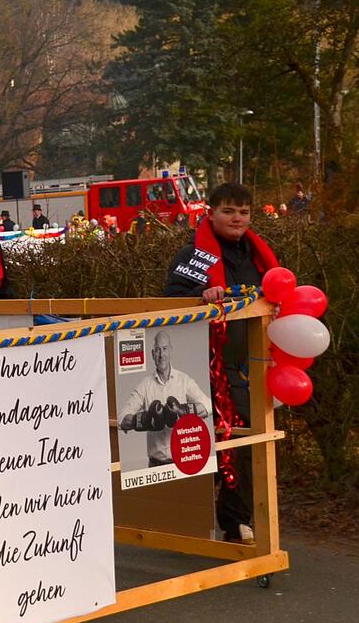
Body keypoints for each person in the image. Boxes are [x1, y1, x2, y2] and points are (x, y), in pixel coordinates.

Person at [163, 182, 279, 543]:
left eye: (243, 212)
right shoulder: (193, 256)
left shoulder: (259, 255)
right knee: (213, 442)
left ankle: (235, 520)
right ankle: (194, 515)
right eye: (228, 211)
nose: (237, 218)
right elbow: (172, 300)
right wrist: (202, 295)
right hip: (204, 366)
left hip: (250, 363)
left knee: (247, 440)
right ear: (210, 213)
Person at [117, 331, 212, 466]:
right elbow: (121, 419)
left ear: (170, 351)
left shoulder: (184, 381)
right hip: (156, 465)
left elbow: (208, 405)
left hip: (184, 461)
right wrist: (143, 420)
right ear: (152, 354)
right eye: (157, 350)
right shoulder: (145, 385)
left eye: (165, 349)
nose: (161, 355)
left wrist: (184, 411)